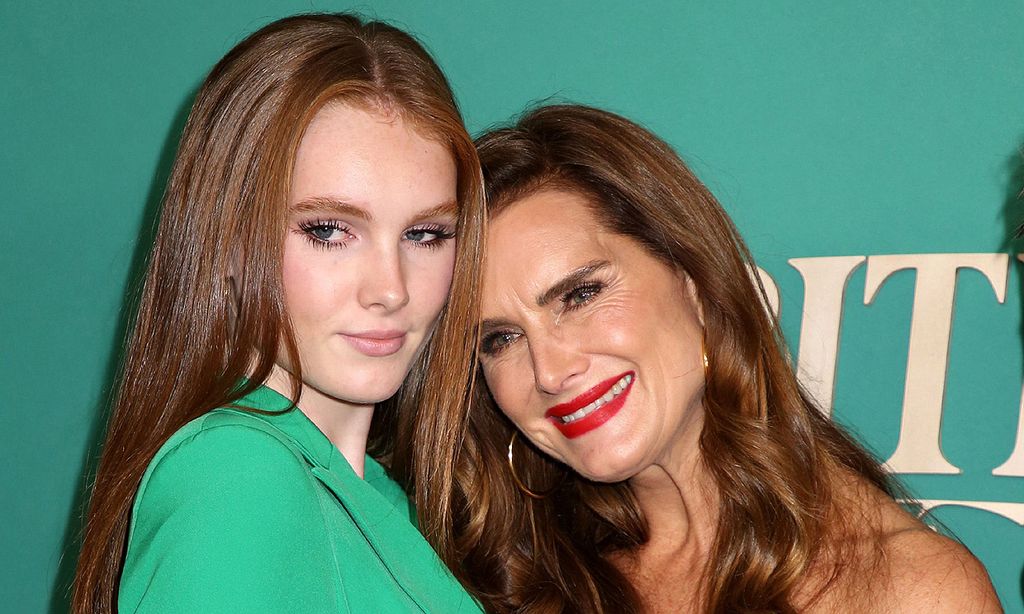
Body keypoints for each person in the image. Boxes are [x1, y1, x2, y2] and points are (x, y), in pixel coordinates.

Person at [413, 105, 1001, 613]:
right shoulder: (492, 576)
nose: (549, 368)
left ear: (694, 282)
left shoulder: (912, 592)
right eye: (499, 339)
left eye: (580, 295)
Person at [71, 14, 483, 613]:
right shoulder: (237, 481)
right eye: (329, 230)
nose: (390, 289)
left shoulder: (383, 501)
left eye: (424, 234)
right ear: (229, 240)